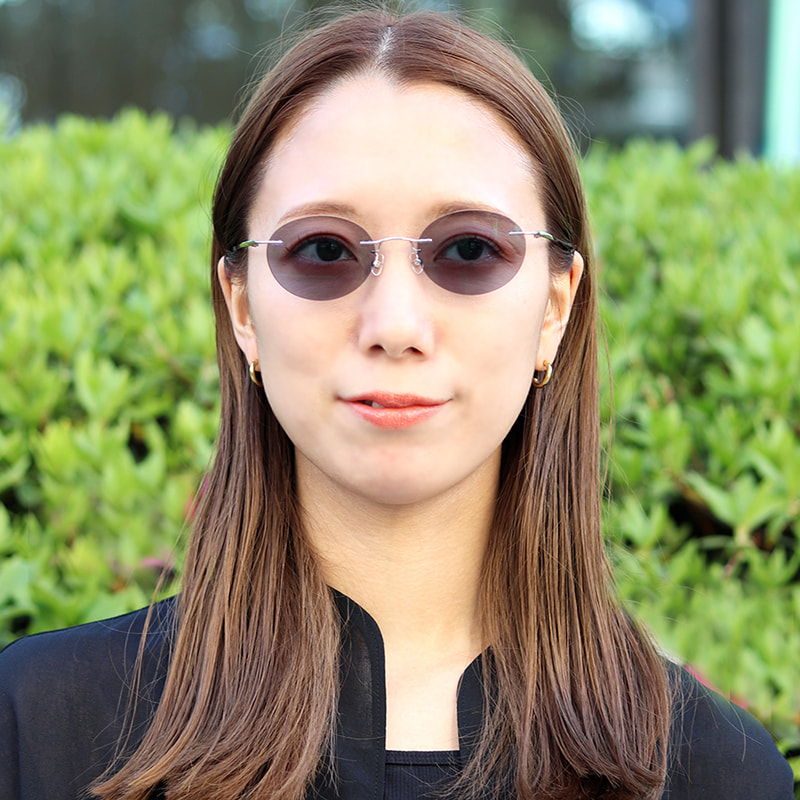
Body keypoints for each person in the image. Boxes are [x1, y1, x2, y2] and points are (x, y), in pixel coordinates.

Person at [0, 9, 793, 800]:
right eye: (323, 250)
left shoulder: (715, 775)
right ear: (242, 307)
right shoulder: (39, 729)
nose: (396, 326)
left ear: (555, 307)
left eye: (469, 249)